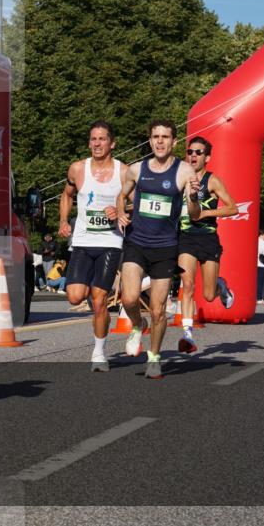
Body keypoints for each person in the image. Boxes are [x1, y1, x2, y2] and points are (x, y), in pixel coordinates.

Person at [116, 119, 200, 379]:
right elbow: (122, 196)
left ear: (174, 141)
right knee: (129, 299)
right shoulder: (136, 169)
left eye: (165, 137)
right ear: (150, 140)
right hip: (136, 242)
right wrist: (120, 213)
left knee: (158, 309)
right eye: (155, 137)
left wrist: (193, 197)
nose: (160, 141)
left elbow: (194, 214)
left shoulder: (184, 171)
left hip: (165, 247)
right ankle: (137, 325)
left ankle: (154, 357)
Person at [58, 121, 126, 370]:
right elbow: (67, 195)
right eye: (93, 139)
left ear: (112, 143)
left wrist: (119, 210)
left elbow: (136, 202)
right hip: (83, 241)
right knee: (75, 296)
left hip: (110, 242)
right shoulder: (78, 168)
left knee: (98, 300)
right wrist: (63, 220)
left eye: (102, 139)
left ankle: (99, 352)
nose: (97, 144)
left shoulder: (123, 172)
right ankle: (98, 299)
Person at [176, 136, 238, 353]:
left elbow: (233, 208)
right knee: (188, 285)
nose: (193, 156)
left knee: (209, 295)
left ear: (207, 158)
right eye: (190, 152)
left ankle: (221, 286)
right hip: (186, 238)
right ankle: (187, 335)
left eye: (198, 152)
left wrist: (205, 213)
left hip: (208, 238)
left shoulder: (212, 181)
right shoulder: (180, 179)